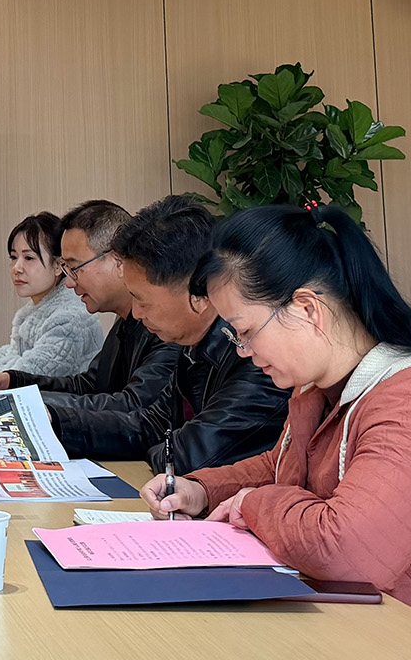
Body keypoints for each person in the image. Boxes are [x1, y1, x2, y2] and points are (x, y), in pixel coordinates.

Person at [147, 204, 411, 660]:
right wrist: (203, 490)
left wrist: (253, 504)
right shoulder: (319, 388)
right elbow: (281, 467)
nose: (243, 352)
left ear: (307, 309)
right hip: (365, 636)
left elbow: (347, 551)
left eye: (245, 332)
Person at [84, 194, 289, 469]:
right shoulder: (193, 345)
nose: (136, 314)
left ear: (199, 293)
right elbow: (152, 426)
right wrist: (56, 422)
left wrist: (157, 447)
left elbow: (189, 455)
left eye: (143, 301)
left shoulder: (256, 356)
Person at [0, 200, 177, 432]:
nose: (68, 282)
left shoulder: (165, 327)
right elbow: (87, 385)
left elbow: (133, 407)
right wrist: (11, 381)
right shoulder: (125, 321)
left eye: (74, 268)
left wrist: (24, 402)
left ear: (117, 260)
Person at [0, 212, 102, 380]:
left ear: (58, 266)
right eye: (13, 257)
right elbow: (13, 354)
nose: (17, 268)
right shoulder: (42, 308)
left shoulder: (69, 319)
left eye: (29, 258)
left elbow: (26, 375)